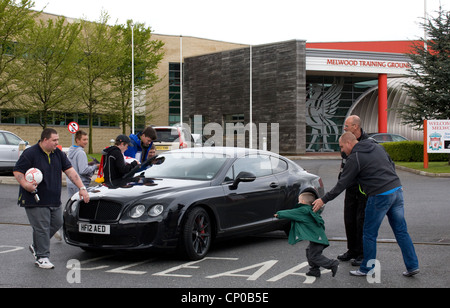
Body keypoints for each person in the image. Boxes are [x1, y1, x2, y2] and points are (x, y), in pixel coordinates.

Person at [312, 132, 419, 277]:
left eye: (342, 147)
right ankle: (412, 266)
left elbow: (342, 183)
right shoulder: (377, 147)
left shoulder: (354, 157)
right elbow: (391, 163)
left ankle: (367, 268)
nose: (342, 150)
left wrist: (323, 199)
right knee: (401, 231)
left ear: (349, 143)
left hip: (380, 195)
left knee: (368, 233)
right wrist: (394, 181)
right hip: (396, 190)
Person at [13, 128, 90, 269]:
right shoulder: (30, 153)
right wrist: (25, 184)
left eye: (57, 140)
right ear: (45, 140)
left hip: (54, 199)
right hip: (35, 199)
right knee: (42, 228)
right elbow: (18, 171)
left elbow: (70, 171)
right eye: (54, 140)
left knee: (58, 222)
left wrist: (82, 188)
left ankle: (36, 245)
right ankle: (42, 257)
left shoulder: (58, 154)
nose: (57, 143)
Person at [274, 192, 339, 278]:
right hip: (317, 238)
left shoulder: (303, 210)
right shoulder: (311, 209)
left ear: (303, 202)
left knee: (314, 256)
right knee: (309, 252)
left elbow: (292, 213)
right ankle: (314, 270)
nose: (298, 203)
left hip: (317, 239)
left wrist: (279, 214)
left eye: (299, 201)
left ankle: (331, 264)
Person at [338, 115, 369, 266]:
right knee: (349, 220)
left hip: (363, 190)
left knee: (361, 221)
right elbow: (344, 164)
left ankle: (362, 253)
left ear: (356, 126)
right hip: (350, 188)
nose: (345, 128)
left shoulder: (367, 143)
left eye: (347, 125)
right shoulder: (346, 143)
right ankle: (352, 250)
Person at [67, 130, 99, 197]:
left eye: (87, 139)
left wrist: (87, 164)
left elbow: (75, 165)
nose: (86, 142)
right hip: (80, 184)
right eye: (84, 140)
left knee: (73, 205)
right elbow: (83, 171)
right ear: (77, 140)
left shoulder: (70, 151)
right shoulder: (81, 153)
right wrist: (96, 166)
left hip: (70, 183)